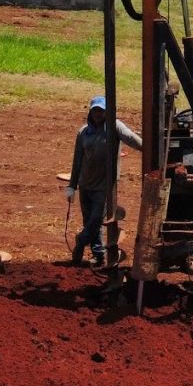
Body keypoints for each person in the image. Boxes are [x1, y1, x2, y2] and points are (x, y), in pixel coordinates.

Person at [65, 95, 141, 266]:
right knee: (89, 222)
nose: (98, 114)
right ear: (90, 112)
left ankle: (80, 241)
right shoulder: (83, 132)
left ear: (107, 112)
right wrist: (72, 186)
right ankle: (98, 255)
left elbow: (131, 139)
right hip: (85, 184)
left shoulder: (114, 127)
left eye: (101, 111)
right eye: (95, 111)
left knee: (95, 220)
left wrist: (149, 146)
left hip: (104, 186)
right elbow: (77, 161)